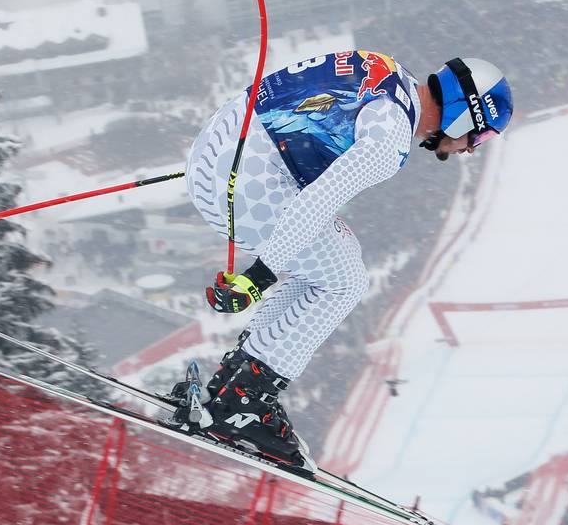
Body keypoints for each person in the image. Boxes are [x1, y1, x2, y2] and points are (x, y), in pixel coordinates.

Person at [165, 51, 513, 470]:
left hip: (226, 155)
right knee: (345, 282)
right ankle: (244, 402)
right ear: (465, 113)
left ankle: (233, 384)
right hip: (246, 181)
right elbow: (319, 200)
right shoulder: (389, 138)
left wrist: (214, 161)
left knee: (328, 266)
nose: (472, 149)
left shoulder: (392, 76)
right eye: (480, 136)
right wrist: (259, 276)